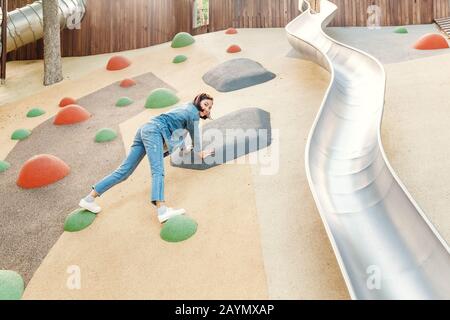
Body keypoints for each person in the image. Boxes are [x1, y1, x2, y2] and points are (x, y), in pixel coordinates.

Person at [78, 93, 215, 223]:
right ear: (198, 101)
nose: (207, 108)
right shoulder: (193, 114)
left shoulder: (186, 109)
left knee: (124, 171)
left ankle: (89, 199)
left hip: (146, 129)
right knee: (158, 171)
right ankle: (162, 210)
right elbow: (196, 140)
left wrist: (186, 149)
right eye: (206, 104)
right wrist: (201, 153)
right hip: (154, 131)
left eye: (210, 107)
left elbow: (180, 132)